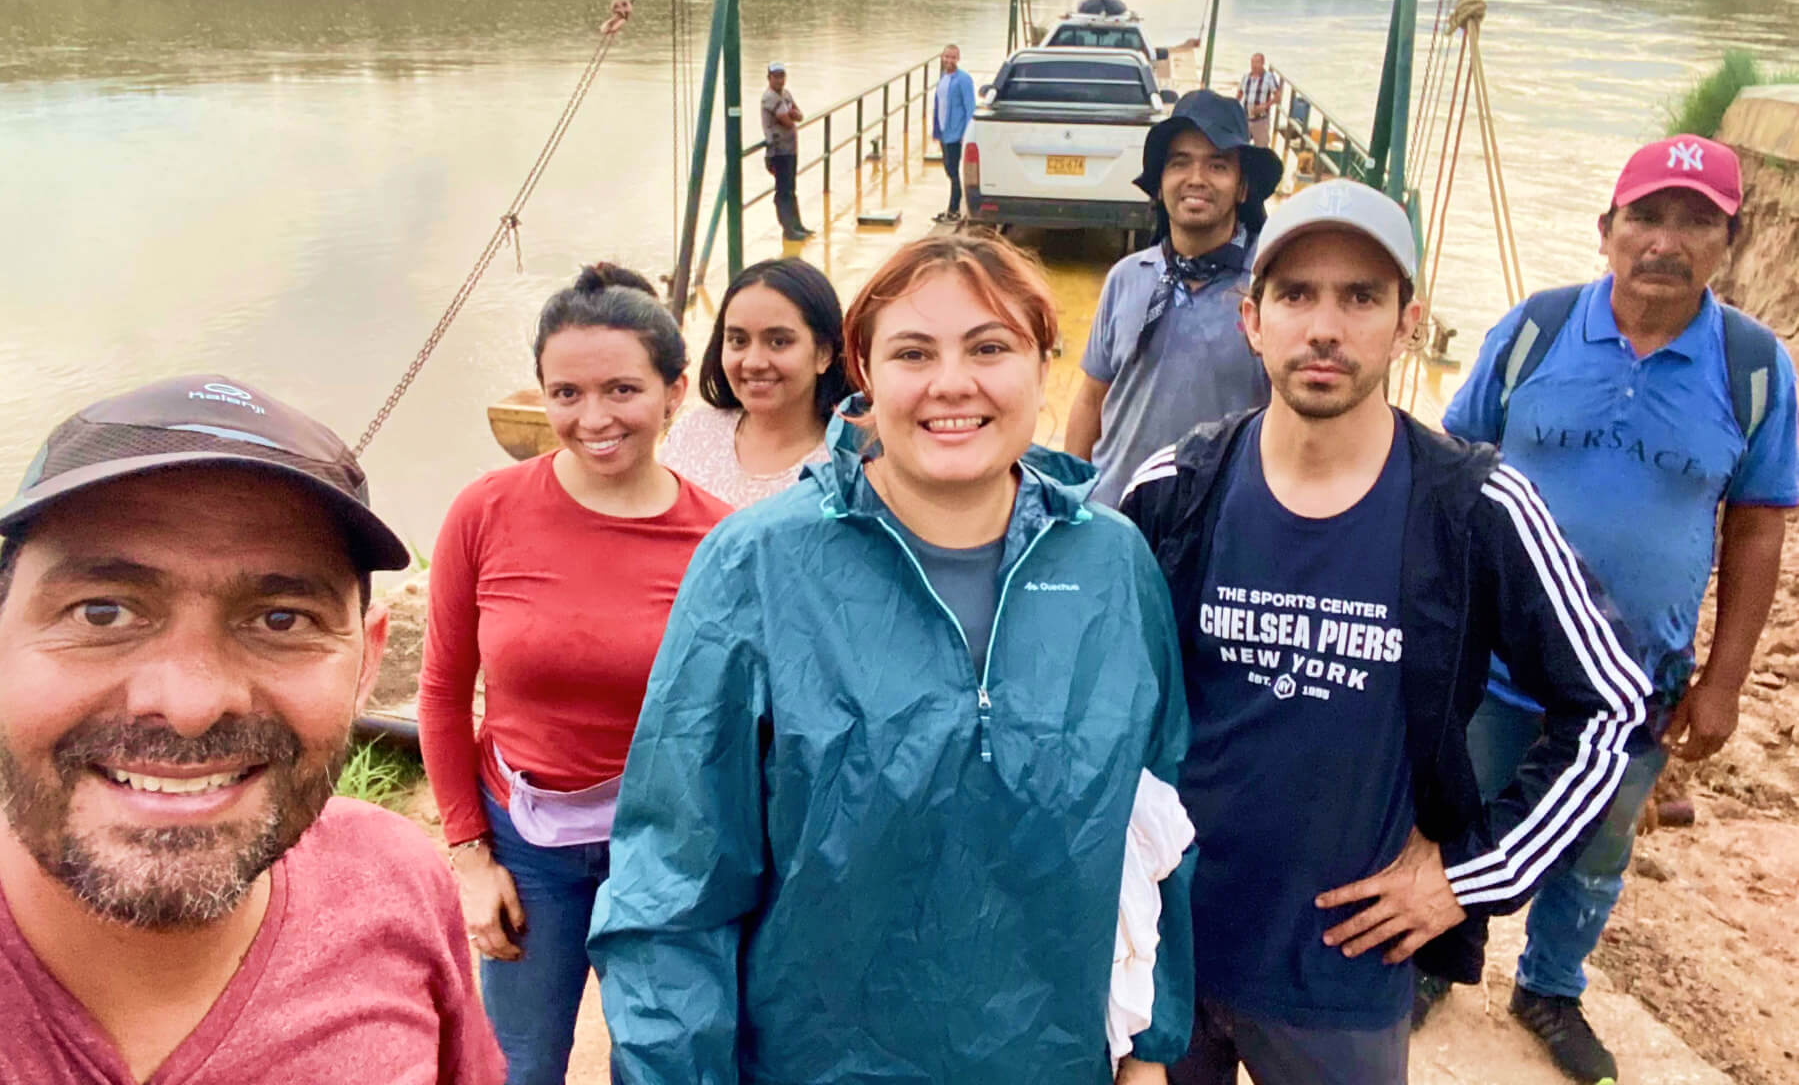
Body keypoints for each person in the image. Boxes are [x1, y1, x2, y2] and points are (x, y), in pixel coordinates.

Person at [594, 233, 1195, 1085]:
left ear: (1044, 366)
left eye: (990, 348)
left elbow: (1151, 823)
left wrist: (1145, 1049)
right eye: (913, 352)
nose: (953, 383)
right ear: (865, 376)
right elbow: (674, 877)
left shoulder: (1112, 566)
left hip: (1053, 1057)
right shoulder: (757, 565)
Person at [1119, 180, 1652, 1085]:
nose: (1324, 326)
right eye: (1295, 295)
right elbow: (1098, 704)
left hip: (1344, 966)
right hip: (1167, 951)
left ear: (1407, 324)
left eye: (1360, 297)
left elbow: (1610, 707)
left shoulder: (1474, 506)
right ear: (1253, 320)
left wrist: (1468, 876)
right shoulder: (1176, 490)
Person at [1419, 135, 1798, 1082]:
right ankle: (1432, 962)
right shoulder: (1535, 331)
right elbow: (1449, 472)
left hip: (1638, 680)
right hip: (1497, 659)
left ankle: (1549, 985)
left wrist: (1723, 682)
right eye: (1646, 216)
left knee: (1597, 844)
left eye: (1694, 221)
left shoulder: (1755, 369)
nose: (1664, 242)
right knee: (1458, 808)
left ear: (1730, 240)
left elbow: (1756, 527)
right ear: (1606, 230)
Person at [0, 375, 504, 1084]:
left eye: (281, 619)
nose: (190, 704)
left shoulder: (397, 880)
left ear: (366, 661)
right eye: (102, 612)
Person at [418, 265, 733, 1085]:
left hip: (665, 849)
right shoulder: (484, 511)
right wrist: (471, 857)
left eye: (622, 389)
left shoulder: (723, 542)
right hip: (528, 843)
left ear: (672, 393)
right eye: (565, 392)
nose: (592, 418)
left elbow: (742, 724)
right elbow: (445, 692)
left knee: (663, 1061)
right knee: (520, 1065)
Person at [1066, 89, 1279, 508]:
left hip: (1219, 522)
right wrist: (1071, 501)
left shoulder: (1270, 287)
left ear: (1241, 189)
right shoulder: (1126, 278)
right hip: (1117, 515)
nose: (1196, 178)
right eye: (1180, 162)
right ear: (1161, 184)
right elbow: (1092, 397)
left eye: (1217, 165)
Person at [660, 257, 852, 509]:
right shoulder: (693, 434)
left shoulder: (852, 468)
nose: (753, 362)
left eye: (778, 342)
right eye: (738, 341)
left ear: (823, 354)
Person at [760, 62, 811, 241]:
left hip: (790, 149)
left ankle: (797, 225)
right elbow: (787, 121)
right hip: (777, 151)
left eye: (782, 76)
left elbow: (799, 115)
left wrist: (792, 114)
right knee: (782, 191)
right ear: (769, 78)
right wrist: (791, 115)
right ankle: (788, 230)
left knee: (791, 188)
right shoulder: (770, 98)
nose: (780, 80)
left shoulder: (786, 94)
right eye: (776, 76)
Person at [932, 43, 977, 222]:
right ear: (942, 58)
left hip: (956, 134)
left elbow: (970, 107)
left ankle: (954, 210)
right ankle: (951, 207)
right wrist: (936, 131)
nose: (949, 60)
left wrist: (966, 134)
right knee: (949, 170)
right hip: (944, 132)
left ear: (958, 59)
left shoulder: (963, 79)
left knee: (953, 171)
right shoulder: (943, 77)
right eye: (946, 57)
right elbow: (939, 105)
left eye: (953, 57)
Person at [1235, 54, 1280, 149]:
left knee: (1261, 149)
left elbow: (1278, 97)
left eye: (1257, 62)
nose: (1254, 65)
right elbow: (1239, 94)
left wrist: (1265, 106)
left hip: (1261, 120)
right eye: (1252, 62)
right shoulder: (1246, 77)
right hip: (1246, 118)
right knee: (1241, 146)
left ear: (1263, 63)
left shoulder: (1269, 77)